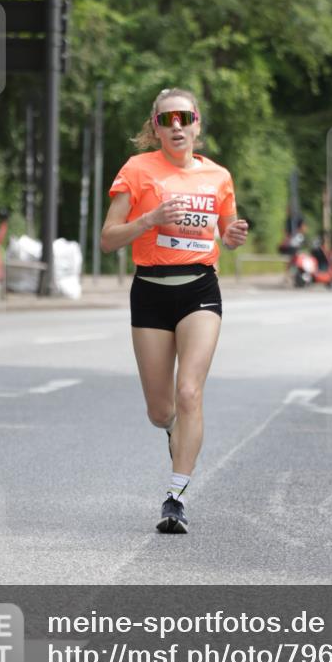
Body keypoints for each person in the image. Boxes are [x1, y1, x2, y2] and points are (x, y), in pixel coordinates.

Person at [100, 88, 248, 534]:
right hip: (150, 289)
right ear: (156, 127)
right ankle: (172, 432)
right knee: (161, 410)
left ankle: (175, 497)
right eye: (167, 120)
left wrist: (234, 234)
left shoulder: (219, 177)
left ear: (197, 123)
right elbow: (108, 238)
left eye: (184, 117)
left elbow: (225, 231)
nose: (177, 126)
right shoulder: (137, 170)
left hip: (200, 288)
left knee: (189, 393)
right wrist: (150, 220)